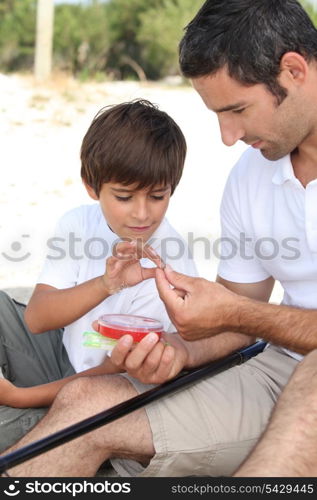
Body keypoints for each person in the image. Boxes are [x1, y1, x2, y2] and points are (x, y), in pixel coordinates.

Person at [1, 0, 317, 478]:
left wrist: (240, 314)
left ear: (293, 70)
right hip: (273, 369)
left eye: (237, 110)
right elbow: (237, 323)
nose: (228, 136)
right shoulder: (251, 176)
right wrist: (180, 353)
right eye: (217, 114)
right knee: (86, 400)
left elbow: (243, 314)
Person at [0, 98, 198, 452]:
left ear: (172, 188)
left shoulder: (170, 265)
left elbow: (117, 373)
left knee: (13, 428)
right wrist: (107, 284)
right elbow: (37, 318)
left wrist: (21, 397)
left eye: (157, 196)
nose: (142, 214)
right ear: (92, 187)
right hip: (62, 354)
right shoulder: (79, 222)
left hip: (103, 394)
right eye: (124, 197)